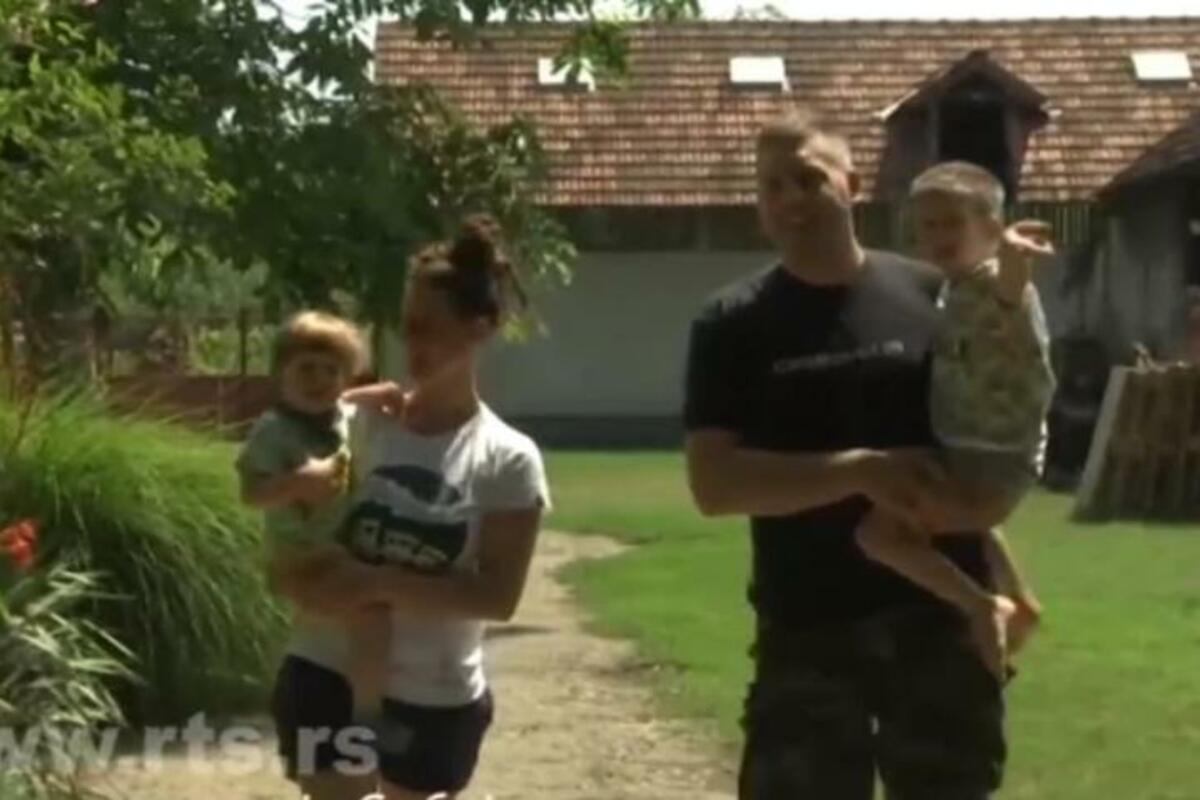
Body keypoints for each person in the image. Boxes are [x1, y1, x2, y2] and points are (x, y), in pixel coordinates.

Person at [684, 108, 1007, 799]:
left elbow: (967, 453)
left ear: (853, 184)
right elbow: (715, 485)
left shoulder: (934, 297)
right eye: (771, 186)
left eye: (808, 179)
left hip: (936, 620)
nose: (790, 199)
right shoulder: (732, 324)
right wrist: (859, 470)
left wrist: (1005, 584)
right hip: (808, 627)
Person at [267, 216, 551, 800]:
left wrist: (373, 582)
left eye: (428, 328)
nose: (411, 344)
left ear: (479, 328)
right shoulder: (358, 424)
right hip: (325, 668)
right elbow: (274, 458)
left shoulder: (507, 458)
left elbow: (496, 596)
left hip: (435, 694)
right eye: (407, 327)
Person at [856, 161, 1053, 676]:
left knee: (879, 535)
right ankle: (1021, 603)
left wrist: (1013, 257)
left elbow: (1011, 294)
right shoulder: (954, 289)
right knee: (969, 522)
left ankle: (983, 606)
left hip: (993, 457)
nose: (938, 235)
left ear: (990, 227)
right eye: (928, 225)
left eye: (952, 223)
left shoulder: (991, 282)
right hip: (969, 449)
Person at [236, 311, 391, 723]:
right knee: (372, 617)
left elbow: (351, 401)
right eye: (306, 369)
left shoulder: (339, 413)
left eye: (331, 371)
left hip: (339, 547)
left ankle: (359, 700)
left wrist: (383, 394)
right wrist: (296, 483)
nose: (318, 381)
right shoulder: (273, 431)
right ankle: (369, 716)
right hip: (301, 554)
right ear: (281, 373)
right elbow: (251, 494)